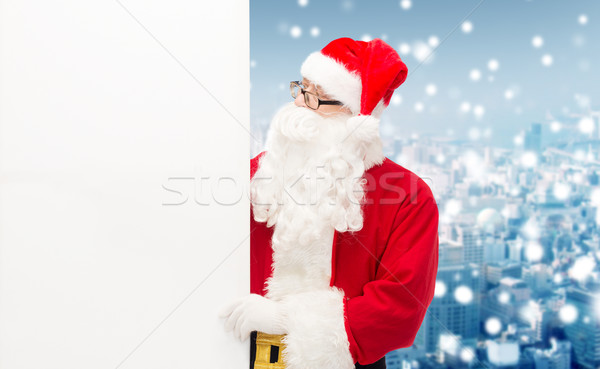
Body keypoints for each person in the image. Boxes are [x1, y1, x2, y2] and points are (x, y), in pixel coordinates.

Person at [220, 37, 439, 369]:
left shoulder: (409, 197)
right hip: (238, 355)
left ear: (357, 120)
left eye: (317, 99)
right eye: (301, 89)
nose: (299, 107)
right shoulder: (256, 174)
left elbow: (401, 308)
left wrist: (287, 320)